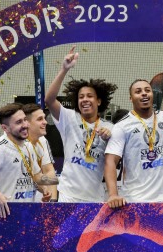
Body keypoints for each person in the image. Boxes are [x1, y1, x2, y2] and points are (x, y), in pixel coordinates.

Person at [104, 73, 163, 206]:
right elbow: (110, 161)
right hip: (134, 200)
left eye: (147, 90)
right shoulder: (122, 126)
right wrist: (113, 194)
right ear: (131, 98)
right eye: (138, 92)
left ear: (152, 95)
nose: (144, 93)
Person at [43, 46, 117, 203]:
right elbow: (49, 100)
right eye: (81, 97)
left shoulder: (109, 127)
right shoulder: (69, 118)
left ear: (98, 101)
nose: (85, 99)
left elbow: (113, 159)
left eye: (90, 96)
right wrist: (64, 69)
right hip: (68, 195)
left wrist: (109, 137)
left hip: (95, 198)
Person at [0, 103, 51, 218]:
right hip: (6, 214)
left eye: (25, 120)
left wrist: (44, 188)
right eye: (18, 122)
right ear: (5, 128)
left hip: (28, 213)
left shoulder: (28, 145)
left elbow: (36, 175)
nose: (25, 125)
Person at [22, 103, 59, 201]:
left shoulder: (42, 140)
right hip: (15, 200)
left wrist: (53, 202)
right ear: (26, 123)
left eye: (44, 118)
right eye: (40, 119)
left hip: (38, 200)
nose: (45, 122)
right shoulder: (17, 145)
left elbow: (48, 171)